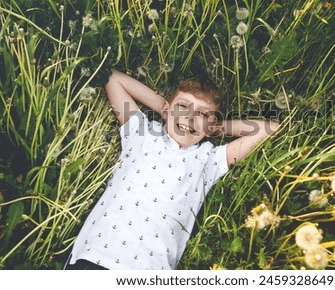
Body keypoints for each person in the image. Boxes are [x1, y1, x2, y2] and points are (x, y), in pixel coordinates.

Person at [66, 69, 279, 269]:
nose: (190, 117)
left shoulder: (208, 160)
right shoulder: (141, 132)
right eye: (183, 107)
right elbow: (112, 78)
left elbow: (269, 129)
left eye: (203, 115)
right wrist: (164, 108)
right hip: (95, 256)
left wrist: (217, 129)